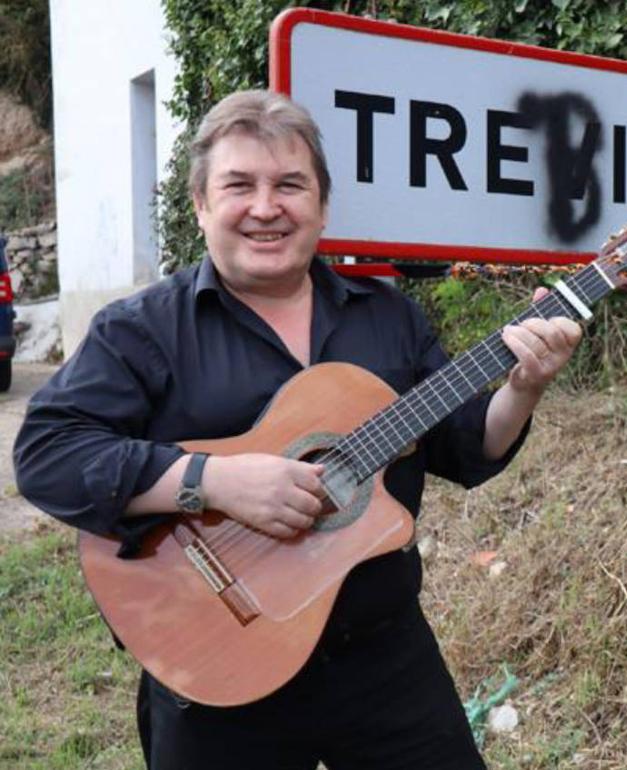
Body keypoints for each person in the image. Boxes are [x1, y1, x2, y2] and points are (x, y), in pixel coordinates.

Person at [14, 89, 582, 769]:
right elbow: (47, 453)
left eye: (289, 184)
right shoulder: (142, 330)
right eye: (239, 186)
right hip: (219, 667)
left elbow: (465, 444)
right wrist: (211, 481)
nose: (266, 207)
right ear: (200, 205)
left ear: (321, 205)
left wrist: (523, 387)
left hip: (383, 659)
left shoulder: (387, 317)